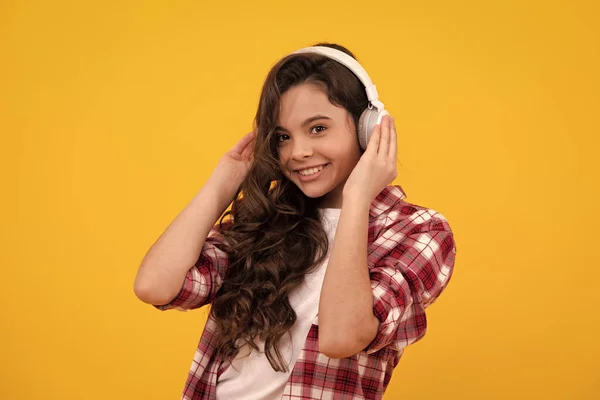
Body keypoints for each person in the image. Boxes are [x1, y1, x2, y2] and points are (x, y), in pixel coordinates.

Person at [134, 42, 457, 400]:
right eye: (283, 137)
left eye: (318, 129)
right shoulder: (266, 221)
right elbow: (155, 286)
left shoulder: (419, 231)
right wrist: (221, 184)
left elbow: (341, 337)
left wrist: (357, 199)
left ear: (369, 129)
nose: (298, 152)